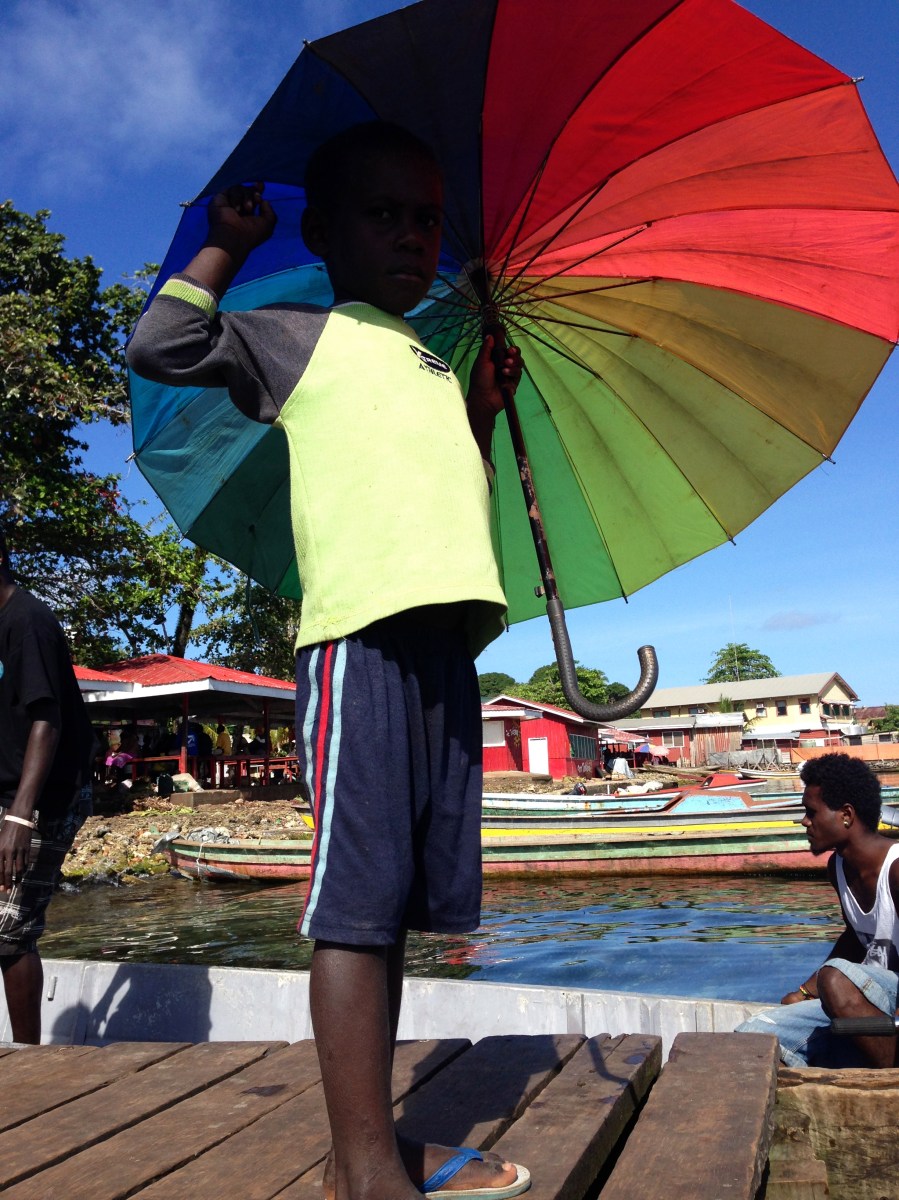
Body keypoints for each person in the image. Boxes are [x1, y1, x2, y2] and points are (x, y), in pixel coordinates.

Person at [127, 120, 528, 1199]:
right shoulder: (298, 334)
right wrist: (224, 243)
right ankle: (363, 1170)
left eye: (425, 219)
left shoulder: (432, 360)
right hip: (362, 640)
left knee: (395, 911)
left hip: (444, 650)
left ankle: (373, 1150)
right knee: (354, 908)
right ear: (326, 234)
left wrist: (481, 412)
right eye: (382, 214)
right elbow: (161, 346)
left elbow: (441, 486)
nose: (410, 235)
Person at [736, 754, 898, 1068]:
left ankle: (888, 1080)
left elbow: (839, 977)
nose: (804, 821)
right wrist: (805, 991)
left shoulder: (896, 869)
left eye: (811, 812)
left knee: (835, 980)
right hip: (868, 1002)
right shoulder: (837, 867)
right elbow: (855, 939)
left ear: (846, 815)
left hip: (891, 1007)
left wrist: (828, 982)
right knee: (753, 1037)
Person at [0, 527, 95, 1043]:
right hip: (8, 791)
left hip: (46, 796)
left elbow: (47, 719)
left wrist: (20, 816)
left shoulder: (28, 621)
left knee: (9, 931)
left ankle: (25, 1059)